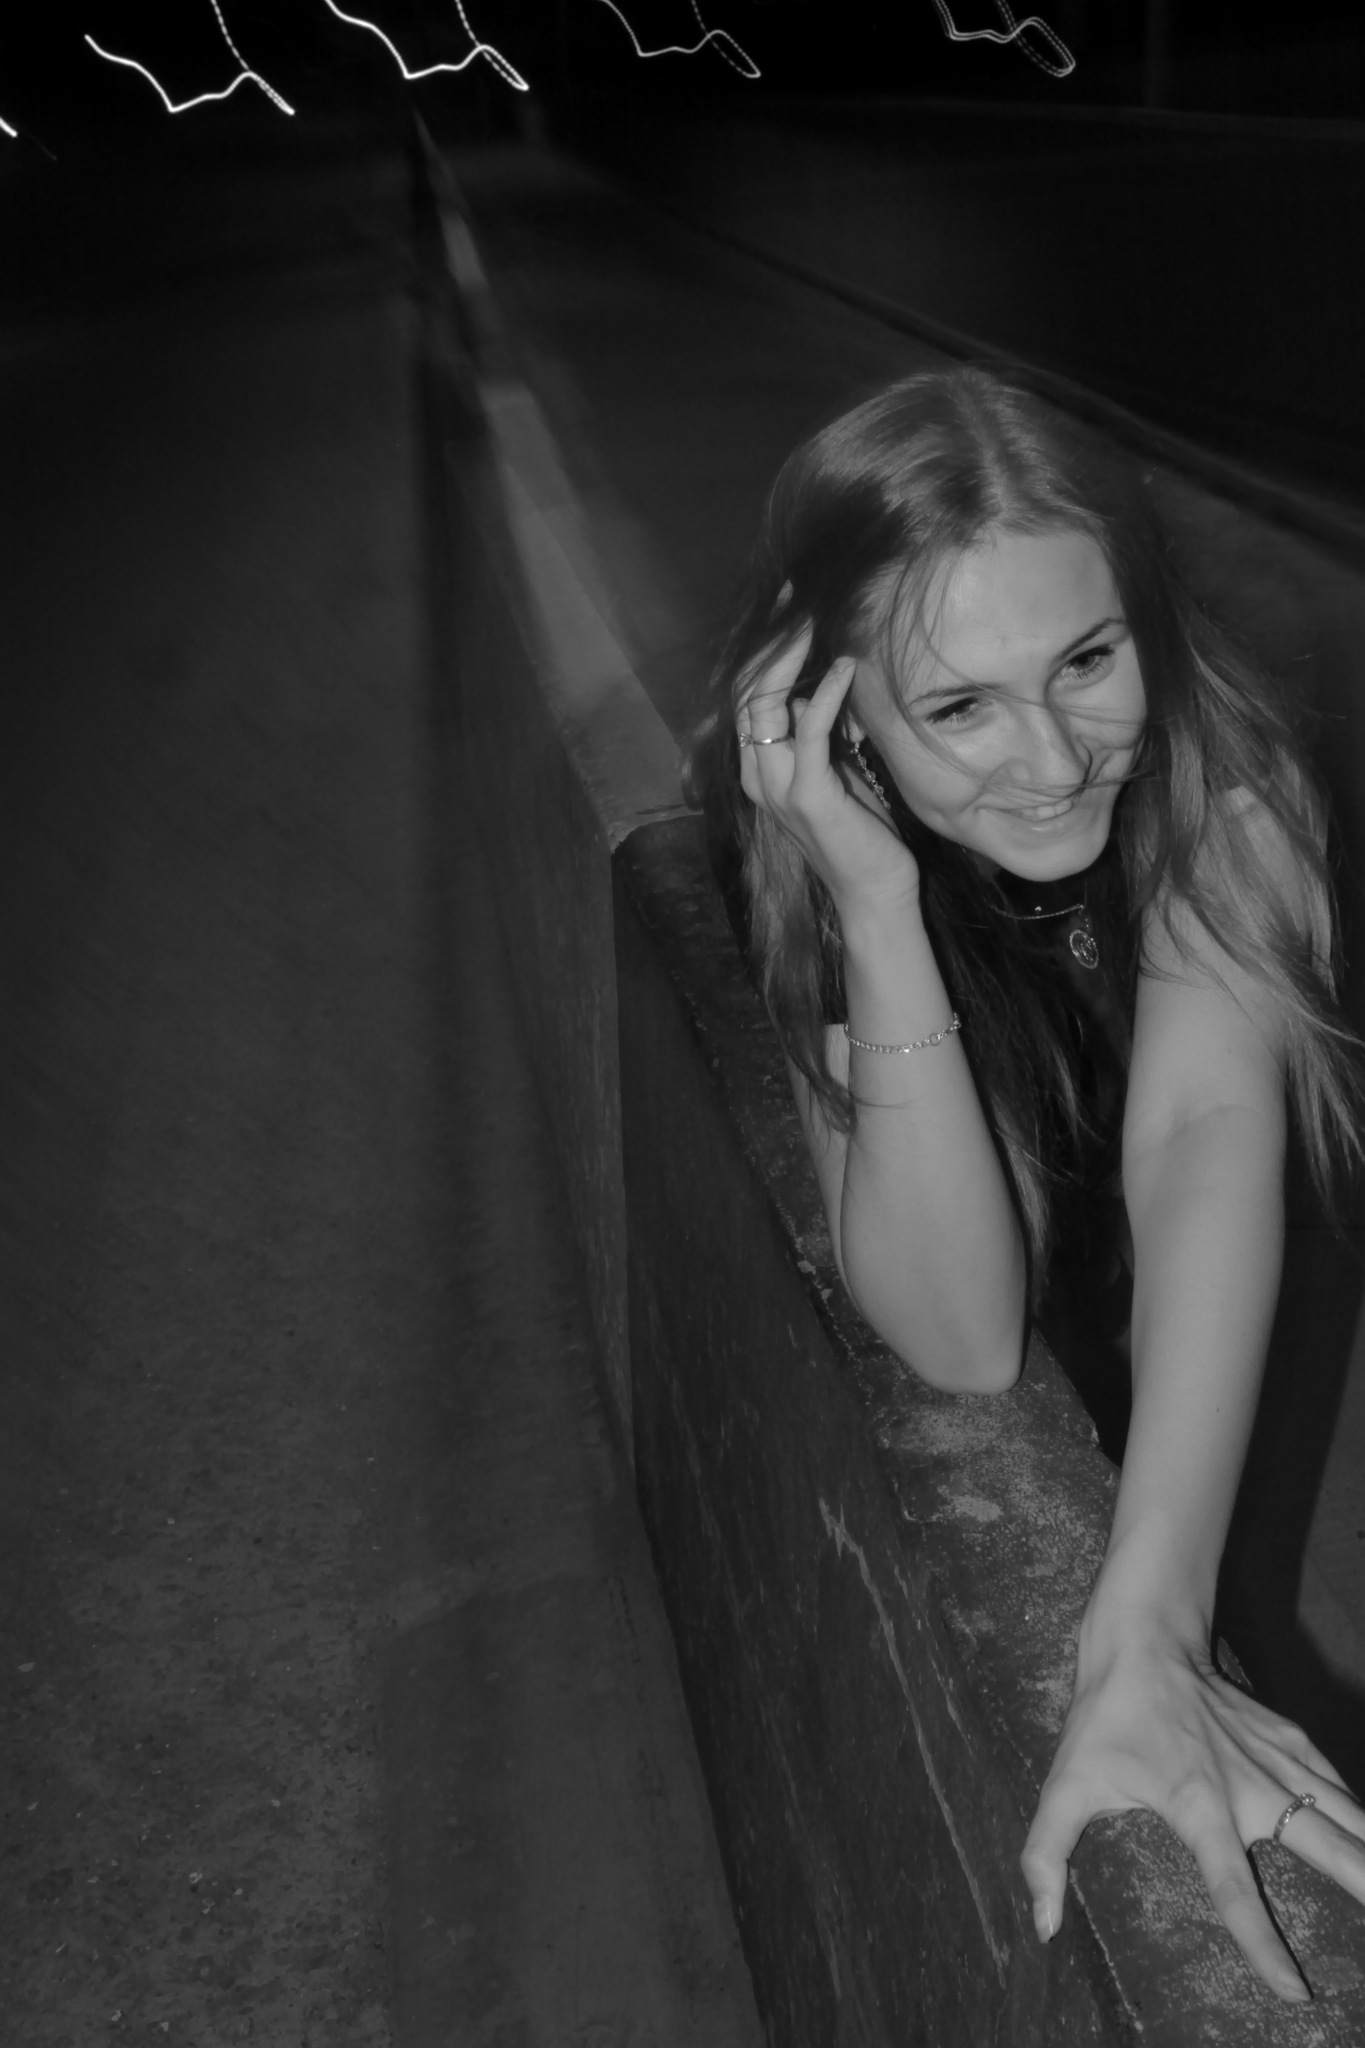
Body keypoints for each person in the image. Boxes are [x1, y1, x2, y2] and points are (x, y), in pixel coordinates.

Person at [687, 365, 1365, 2002]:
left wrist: (1145, 1628)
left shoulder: (1223, 780)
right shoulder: (803, 832)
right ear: (833, 711)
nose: (1053, 759)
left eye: (1085, 661)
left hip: (1196, 1231)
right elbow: (962, 1334)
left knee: (1206, 1532)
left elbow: (1202, 1133)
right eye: (957, 708)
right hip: (1034, 1224)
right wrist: (873, 906)